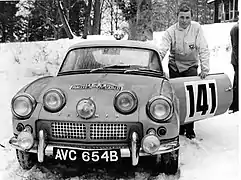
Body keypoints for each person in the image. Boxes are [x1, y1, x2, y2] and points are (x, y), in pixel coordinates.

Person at [158, 2, 210, 139]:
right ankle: (179, 126)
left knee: (191, 98)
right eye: (182, 17)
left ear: (191, 18)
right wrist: (155, 65)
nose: (184, 21)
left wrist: (205, 68)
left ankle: (190, 128)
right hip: (175, 66)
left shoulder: (197, 28)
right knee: (176, 98)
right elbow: (162, 49)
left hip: (191, 66)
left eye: (187, 18)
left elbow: (203, 48)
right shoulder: (170, 31)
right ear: (177, 17)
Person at [229, 21, 239, 113]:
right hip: (237, 60)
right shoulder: (236, 29)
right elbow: (235, 47)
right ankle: (235, 104)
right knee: (237, 82)